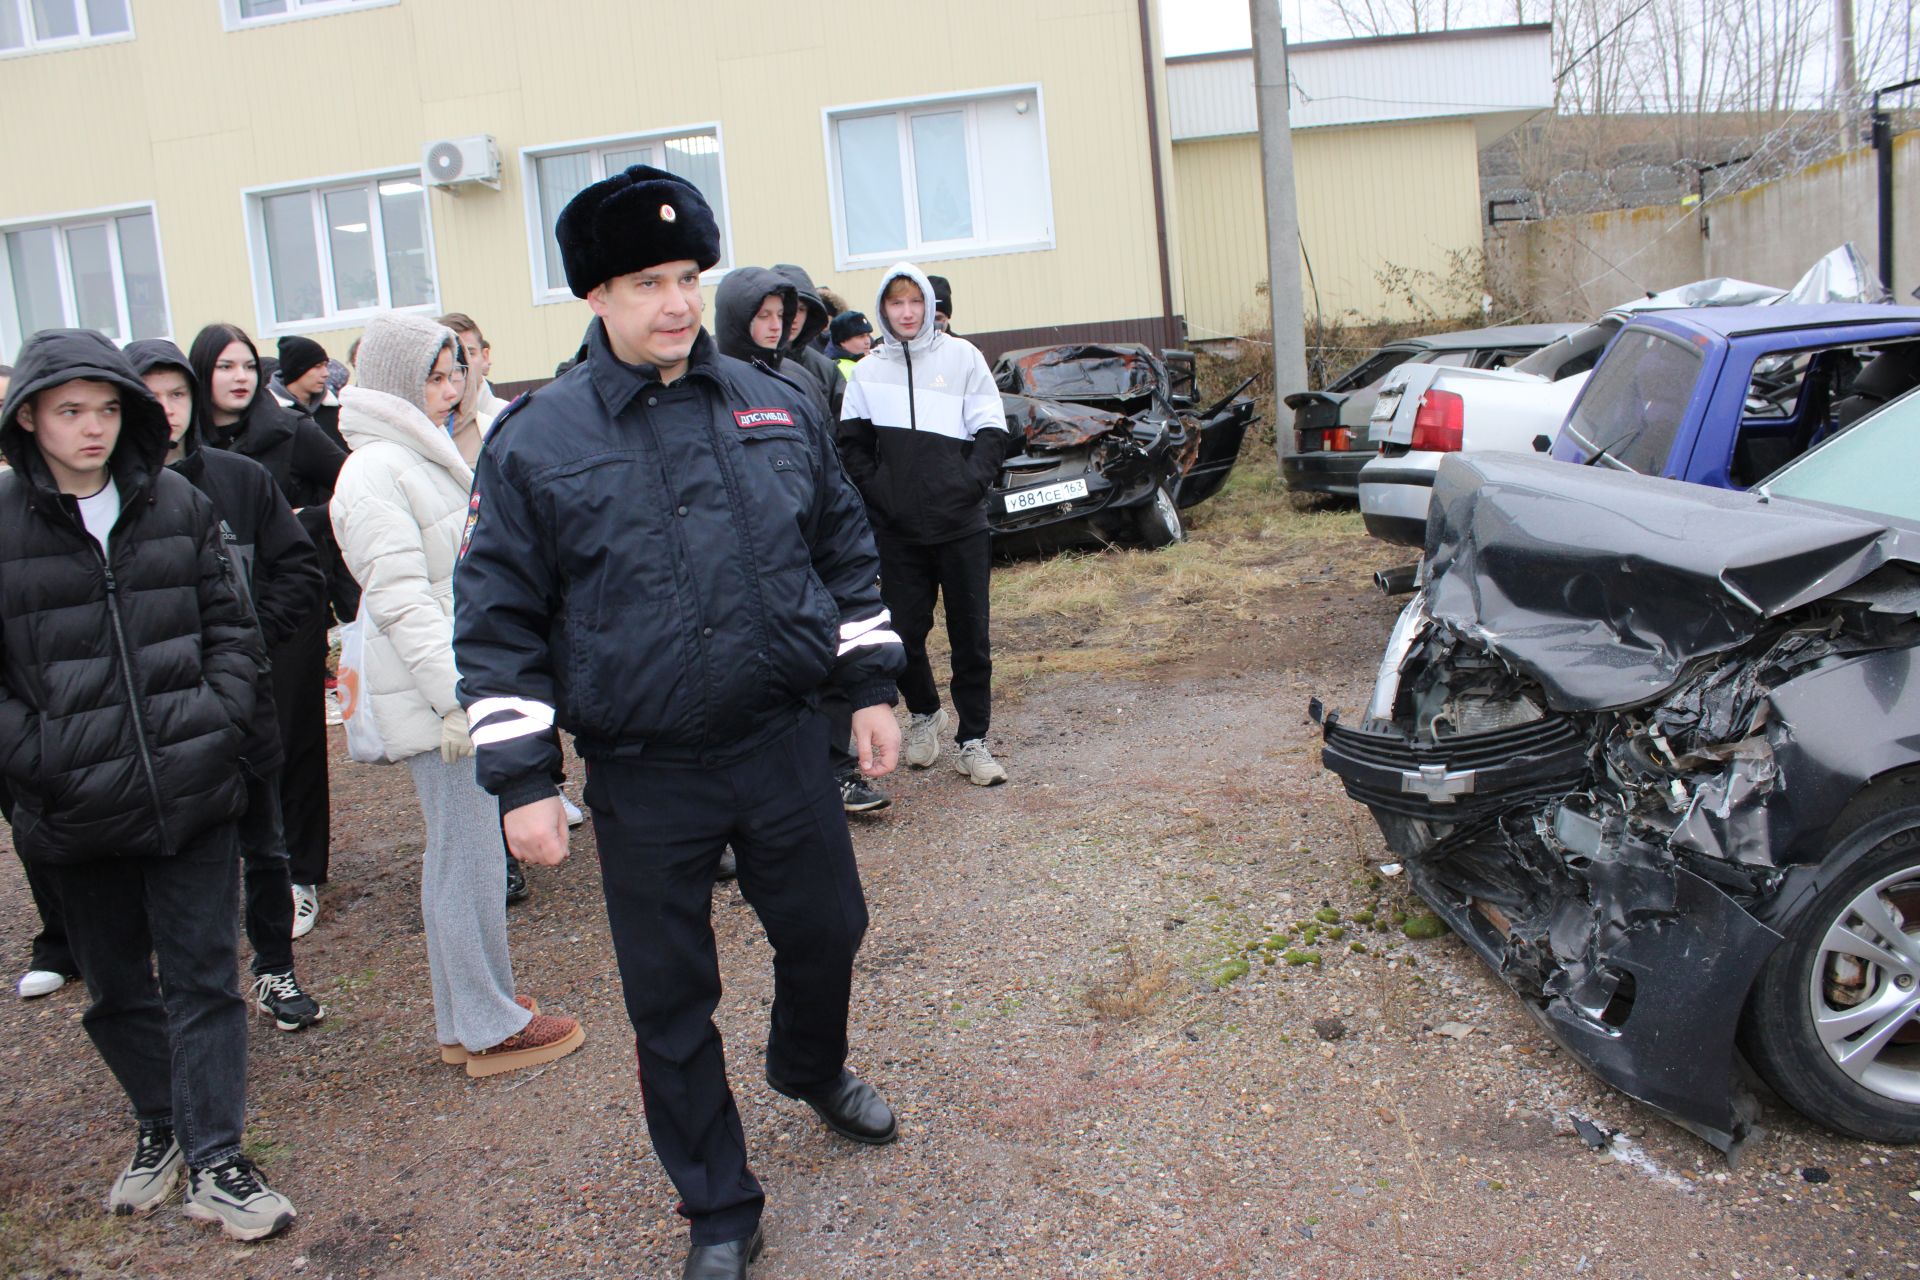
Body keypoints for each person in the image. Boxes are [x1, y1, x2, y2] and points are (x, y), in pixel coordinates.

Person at [453, 164, 905, 1280]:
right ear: (595, 297)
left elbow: (843, 550)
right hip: (647, 772)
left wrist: (869, 684)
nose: (675, 302)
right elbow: (498, 613)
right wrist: (520, 778)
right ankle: (717, 1201)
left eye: (688, 275)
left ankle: (808, 1063)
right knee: (670, 1000)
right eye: (648, 280)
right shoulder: (535, 439)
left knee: (828, 929)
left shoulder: (773, 400)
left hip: (779, 742)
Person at [0, 329, 295, 1240]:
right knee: (118, 986)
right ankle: (160, 1121)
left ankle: (217, 1157)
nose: (91, 430)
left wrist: (211, 726)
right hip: (73, 805)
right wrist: (40, 757)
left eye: (106, 409)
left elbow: (231, 627)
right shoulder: (4, 526)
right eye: (68, 412)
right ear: (29, 420)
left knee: (205, 977)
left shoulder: (176, 503)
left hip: (192, 790)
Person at [331, 311, 584, 1077]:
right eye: (435, 378)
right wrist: (462, 700)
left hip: (452, 689)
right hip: (444, 698)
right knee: (467, 856)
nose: (452, 390)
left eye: (455, 374)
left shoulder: (415, 453)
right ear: (397, 384)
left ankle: (467, 1015)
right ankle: (487, 1022)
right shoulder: (378, 470)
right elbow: (405, 600)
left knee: (457, 854)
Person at [127, 338, 329, 1032]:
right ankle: (185, 999)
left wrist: (245, 650)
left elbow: (298, 569)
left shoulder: (240, 479)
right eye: (152, 396)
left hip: (245, 705)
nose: (168, 410)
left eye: (178, 394)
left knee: (265, 847)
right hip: (153, 721)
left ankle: (275, 970)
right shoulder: (105, 498)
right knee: (172, 865)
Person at [187, 324, 344, 938]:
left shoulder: (288, 431)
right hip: (214, 622)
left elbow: (350, 483)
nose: (239, 377)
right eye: (225, 366)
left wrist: (302, 518)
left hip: (286, 614)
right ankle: (246, 866)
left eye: (248, 365)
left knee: (293, 740)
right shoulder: (183, 448)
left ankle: (300, 871)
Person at [713, 271, 889, 817]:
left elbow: (832, 450)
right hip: (748, 556)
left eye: (781, 317)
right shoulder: (712, 381)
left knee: (828, 648)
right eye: (760, 317)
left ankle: (835, 770)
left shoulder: (801, 373)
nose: (773, 327)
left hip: (813, 539)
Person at [838, 264, 1011, 786]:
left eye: (916, 301)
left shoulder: (963, 358)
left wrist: (967, 485)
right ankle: (924, 713)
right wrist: (884, 495)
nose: (907, 312)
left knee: (970, 637)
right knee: (904, 635)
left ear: (930, 305)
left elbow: (992, 432)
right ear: (883, 310)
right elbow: (851, 447)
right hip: (899, 532)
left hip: (960, 526)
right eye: (897, 304)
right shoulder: (867, 372)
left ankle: (973, 740)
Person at [772, 264, 848, 418]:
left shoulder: (826, 369)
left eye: (801, 309)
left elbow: (845, 433)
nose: (793, 317)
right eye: (786, 308)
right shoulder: (747, 364)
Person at [268, 336, 344, 451]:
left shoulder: (336, 409)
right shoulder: (270, 412)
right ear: (296, 369)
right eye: (317, 366)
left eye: (325, 365)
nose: (326, 373)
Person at [436, 312, 510, 422]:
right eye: (453, 355)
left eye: (470, 353)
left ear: (485, 357)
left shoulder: (510, 417)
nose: (461, 363)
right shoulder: (427, 425)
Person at [826, 312, 873, 382]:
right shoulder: (832, 369)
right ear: (843, 341)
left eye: (868, 335)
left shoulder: (875, 359)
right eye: (861, 336)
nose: (867, 341)